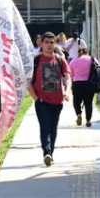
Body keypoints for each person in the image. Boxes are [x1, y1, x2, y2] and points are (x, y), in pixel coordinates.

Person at [27, 32, 71, 166]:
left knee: (53, 128)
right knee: (45, 127)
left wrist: (67, 91)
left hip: (57, 101)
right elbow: (28, 81)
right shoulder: (36, 60)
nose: (49, 45)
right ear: (41, 43)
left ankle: (50, 153)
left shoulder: (60, 59)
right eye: (46, 42)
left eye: (52, 42)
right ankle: (47, 153)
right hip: (42, 101)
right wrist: (35, 98)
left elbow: (68, 78)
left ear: (55, 44)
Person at [68, 46, 98, 127]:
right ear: (87, 52)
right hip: (89, 83)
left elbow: (70, 74)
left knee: (76, 101)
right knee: (88, 103)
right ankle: (88, 120)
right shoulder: (92, 59)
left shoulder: (73, 61)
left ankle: (78, 114)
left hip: (77, 84)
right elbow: (98, 69)